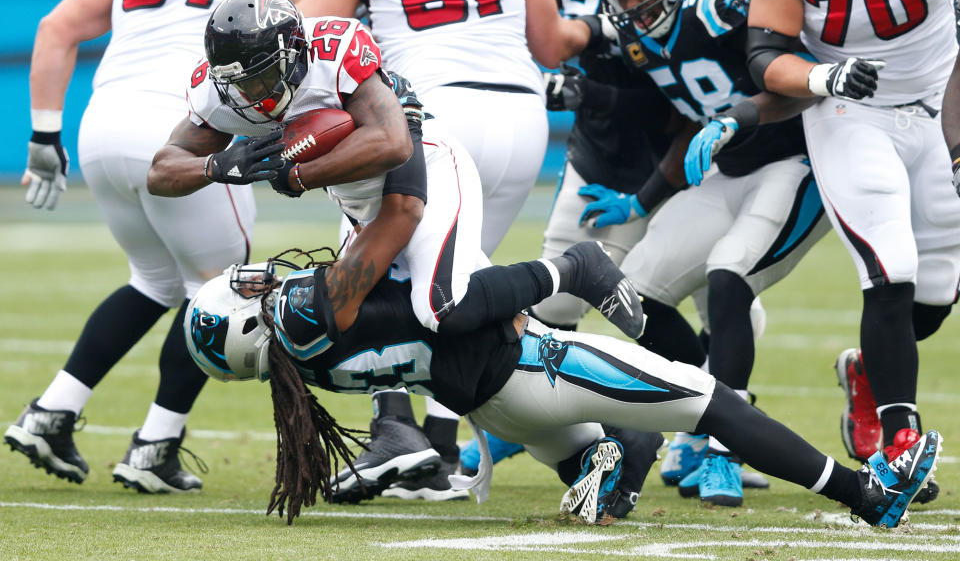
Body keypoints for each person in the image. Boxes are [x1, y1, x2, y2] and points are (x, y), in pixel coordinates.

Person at [145, 0, 647, 502]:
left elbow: (390, 141)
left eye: (264, 74)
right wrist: (218, 165)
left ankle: (572, 272)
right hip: (358, 200)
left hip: (418, 170)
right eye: (240, 82)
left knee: (441, 306)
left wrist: (298, 173)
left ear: (293, 50)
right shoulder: (219, 91)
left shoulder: (334, 47)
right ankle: (601, 436)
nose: (254, 93)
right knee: (450, 320)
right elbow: (161, 170)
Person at [183, 248, 941, 529]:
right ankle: (865, 496)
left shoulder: (302, 370)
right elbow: (453, 312)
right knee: (711, 402)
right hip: (533, 364)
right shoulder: (308, 315)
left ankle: (606, 460)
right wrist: (561, 275)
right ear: (256, 331)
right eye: (249, 297)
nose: (263, 282)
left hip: (495, 402)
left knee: (602, 466)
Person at [294, 0, 615, 501]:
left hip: (429, 114)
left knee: (374, 274)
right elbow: (549, 42)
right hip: (520, 115)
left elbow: (306, 36)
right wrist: (594, 27)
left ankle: (395, 425)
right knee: (456, 291)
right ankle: (439, 447)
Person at [5, 0, 313, 493]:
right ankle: (155, 446)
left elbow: (56, 26)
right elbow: (307, 31)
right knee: (217, 288)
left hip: (103, 121)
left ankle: (53, 410)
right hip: (186, 127)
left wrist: (44, 134)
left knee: (152, 280)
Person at [569, 0, 834, 506]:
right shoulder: (644, 36)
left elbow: (801, 76)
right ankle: (708, 407)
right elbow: (695, 109)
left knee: (728, 275)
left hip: (797, 160)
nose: (635, 5)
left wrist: (735, 118)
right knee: (634, 292)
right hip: (732, 169)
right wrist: (641, 199)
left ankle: (726, 450)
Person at [745, 0, 960, 504]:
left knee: (937, 293)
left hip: (944, 96)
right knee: (890, 267)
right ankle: (899, 443)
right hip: (851, 108)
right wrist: (822, 74)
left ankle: (867, 373)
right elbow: (765, 51)